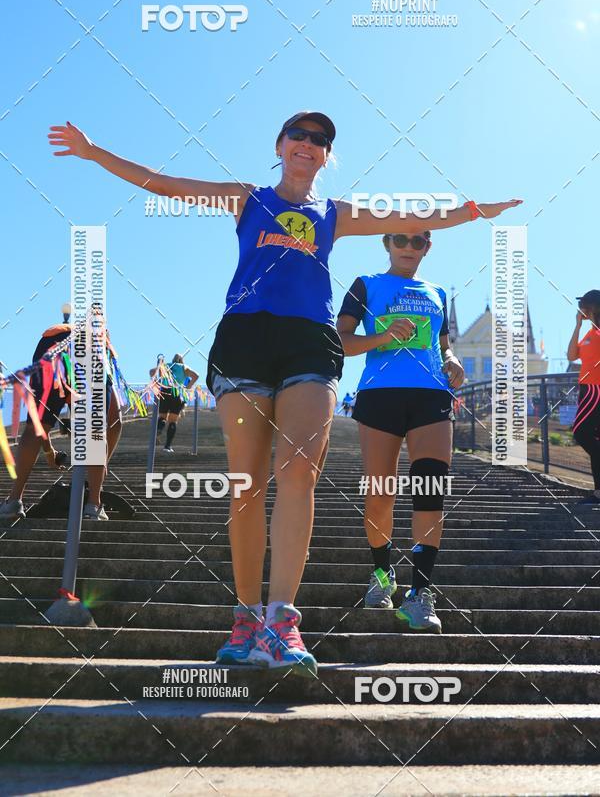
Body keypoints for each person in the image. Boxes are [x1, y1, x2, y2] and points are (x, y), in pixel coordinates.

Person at [47, 113, 520, 676]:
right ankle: (246, 619)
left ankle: (282, 622)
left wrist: (474, 211)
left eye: (321, 140)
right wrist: (94, 151)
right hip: (244, 339)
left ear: (327, 157)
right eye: (299, 134)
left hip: (309, 342)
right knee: (246, 483)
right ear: (280, 145)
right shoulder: (247, 199)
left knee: (299, 473)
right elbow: (165, 184)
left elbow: (414, 216)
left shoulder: (336, 213)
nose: (309, 144)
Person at [337, 230, 465, 633]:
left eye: (418, 241)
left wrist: (453, 360)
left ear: (428, 247)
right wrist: (384, 336)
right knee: (380, 494)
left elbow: (443, 345)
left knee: (430, 488)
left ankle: (420, 593)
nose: (408, 248)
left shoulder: (437, 292)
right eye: (400, 240)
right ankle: (382, 574)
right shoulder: (365, 285)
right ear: (386, 243)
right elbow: (340, 341)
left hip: (432, 396)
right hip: (381, 395)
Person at [0, 318, 122, 523]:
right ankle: (93, 505)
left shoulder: (61, 334)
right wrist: (102, 463)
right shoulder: (101, 344)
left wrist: (49, 452)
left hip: (51, 349)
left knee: (35, 425)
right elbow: (116, 420)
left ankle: (14, 501)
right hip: (87, 355)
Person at [567, 290, 600, 506]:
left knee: (581, 432)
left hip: (595, 389)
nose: (581, 310)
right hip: (587, 389)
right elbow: (571, 356)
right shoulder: (590, 333)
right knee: (594, 439)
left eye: (584, 306)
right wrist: (578, 325)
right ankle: (598, 493)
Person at [149, 354, 199, 453]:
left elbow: (151, 372)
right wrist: (188, 386)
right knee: (173, 421)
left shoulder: (166, 366)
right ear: (182, 360)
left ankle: (159, 429)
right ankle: (167, 446)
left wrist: (156, 383)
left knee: (162, 417)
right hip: (177, 393)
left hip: (164, 392)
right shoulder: (184, 367)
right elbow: (196, 375)